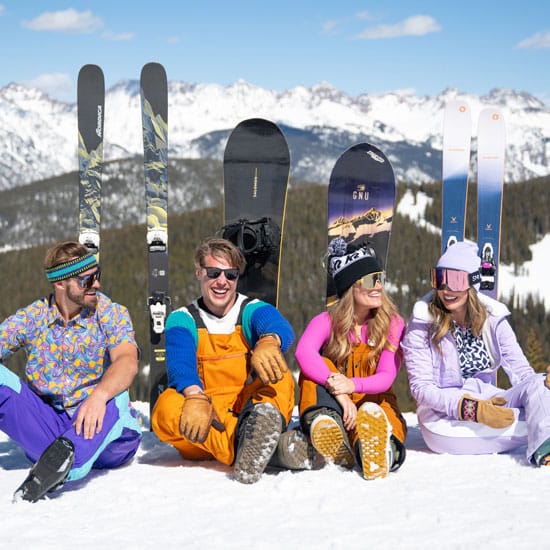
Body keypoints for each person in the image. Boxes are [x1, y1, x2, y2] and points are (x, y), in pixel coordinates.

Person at [151, 237, 310, 484]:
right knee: (165, 408)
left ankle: (254, 443)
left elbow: (278, 324)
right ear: (199, 273)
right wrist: (193, 395)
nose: (222, 281)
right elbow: (179, 363)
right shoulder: (183, 318)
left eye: (231, 275)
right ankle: (269, 451)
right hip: (206, 416)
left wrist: (270, 340)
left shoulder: (248, 309)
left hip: (250, 410)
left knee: (280, 378)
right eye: (214, 273)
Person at [0, 241, 142, 502]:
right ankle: (58, 458)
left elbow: (126, 360)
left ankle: (64, 465)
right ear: (60, 284)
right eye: (85, 281)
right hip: (50, 428)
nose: (96, 285)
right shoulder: (33, 317)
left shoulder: (110, 313)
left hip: (106, 431)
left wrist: (99, 396)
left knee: (117, 397)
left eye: (96, 276)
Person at [402, 241, 550, 466]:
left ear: (473, 283)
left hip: (490, 400)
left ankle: (544, 444)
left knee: (540, 383)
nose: (446, 289)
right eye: (440, 279)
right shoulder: (423, 321)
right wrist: (470, 409)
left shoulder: (493, 318)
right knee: (537, 418)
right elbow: (421, 388)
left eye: (457, 280)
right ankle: (542, 428)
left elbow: (521, 372)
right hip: (443, 416)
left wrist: (539, 392)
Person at [295, 238, 407, 479]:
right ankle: (326, 422)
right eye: (369, 280)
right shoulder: (326, 322)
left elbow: (386, 377)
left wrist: (352, 386)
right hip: (337, 401)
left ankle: (383, 449)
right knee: (316, 369)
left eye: (379, 278)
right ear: (349, 288)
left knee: (380, 417)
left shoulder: (393, 323)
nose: (377, 286)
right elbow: (303, 353)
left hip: (375, 399)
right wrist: (342, 394)